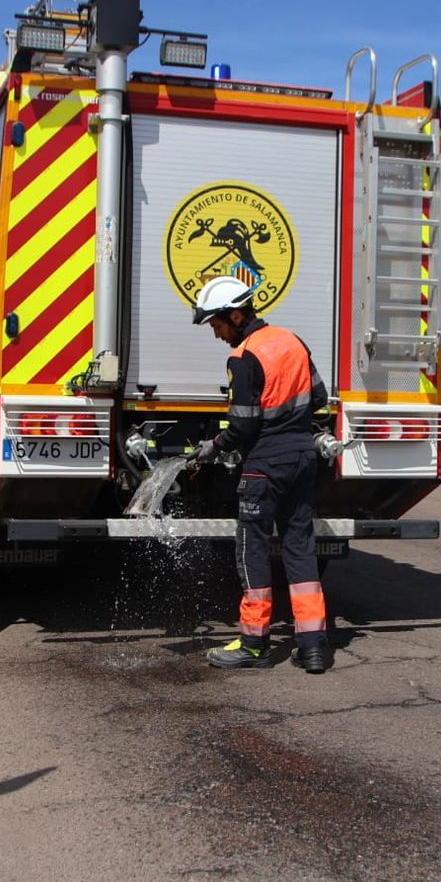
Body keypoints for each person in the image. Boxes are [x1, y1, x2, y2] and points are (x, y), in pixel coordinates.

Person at [190, 275, 333, 673]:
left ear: (236, 315)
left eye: (217, 324)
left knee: (251, 550)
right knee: (300, 548)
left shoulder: (243, 357)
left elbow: (243, 427)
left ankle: (253, 644)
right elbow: (319, 397)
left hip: (265, 465)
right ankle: (313, 646)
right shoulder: (293, 341)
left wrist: (211, 449)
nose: (216, 333)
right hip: (303, 457)